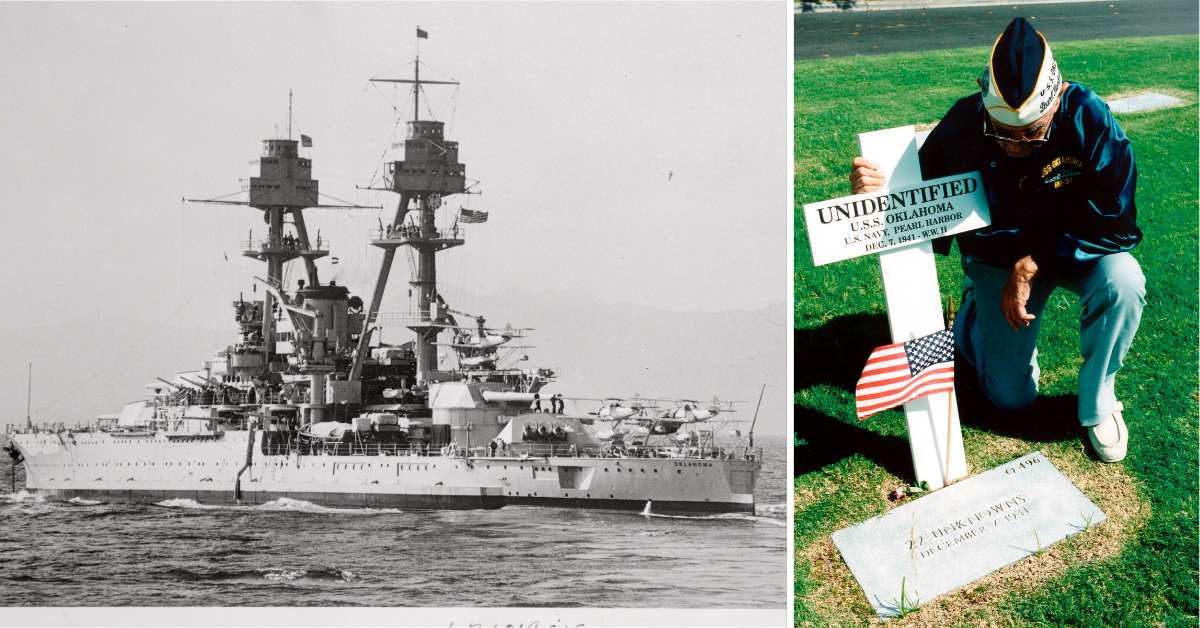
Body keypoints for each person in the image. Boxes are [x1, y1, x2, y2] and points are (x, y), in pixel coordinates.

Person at [848, 18, 1144, 463]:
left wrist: (1037, 261)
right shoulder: (964, 119)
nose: (1016, 144)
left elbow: (1117, 222)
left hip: (1071, 247)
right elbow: (914, 195)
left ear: (1057, 98)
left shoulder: (1089, 115)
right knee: (1010, 399)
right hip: (996, 256)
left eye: (1032, 131)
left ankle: (1098, 402)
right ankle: (970, 318)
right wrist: (874, 186)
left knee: (1123, 279)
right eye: (1002, 132)